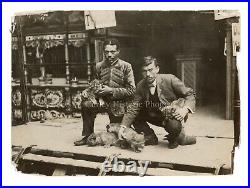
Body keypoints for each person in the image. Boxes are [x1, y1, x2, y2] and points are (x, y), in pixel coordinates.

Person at [119, 56, 196, 149]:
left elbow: (190, 94)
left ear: (157, 69)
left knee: (174, 126)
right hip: (153, 115)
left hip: (170, 116)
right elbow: (133, 108)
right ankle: (150, 136)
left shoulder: (170, 79)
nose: (148, 74)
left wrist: (184, 110)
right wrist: (123, 127)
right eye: (144, 71)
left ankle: (174, 138)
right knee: (133, 112)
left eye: (150, 70)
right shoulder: (140, 85)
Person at [74, 38, 136, 146]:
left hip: (119, 104)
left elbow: (131, 90)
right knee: (86, 105)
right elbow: (94, 84)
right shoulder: (99, 66)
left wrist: (111, 90)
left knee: (118, 138)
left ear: (118, 51)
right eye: (107, 52)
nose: (109, 55)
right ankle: (88, 135)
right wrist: (88, 91)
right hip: (102, 102)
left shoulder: (126, 66)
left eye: (113, 52)